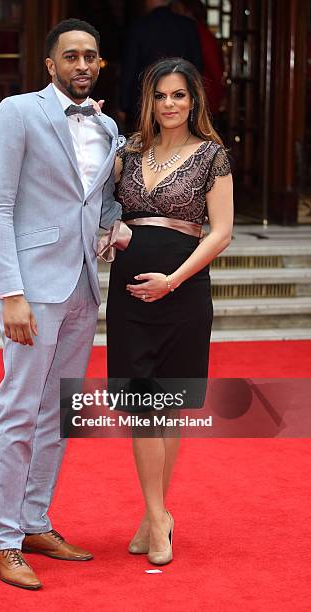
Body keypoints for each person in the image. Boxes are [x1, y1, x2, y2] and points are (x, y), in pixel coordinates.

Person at [0, 18, 121, 590]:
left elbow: (101, 203)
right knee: (19, 409)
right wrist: (10, 292)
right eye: (71, 57)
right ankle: (4, 539)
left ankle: (36, 520)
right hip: (33, 289)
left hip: (84, 288)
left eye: (91, 56)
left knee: (59, 415)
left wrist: (115, 231)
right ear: (51, 64)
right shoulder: (18, 112)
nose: (82, 65)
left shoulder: (109, 125)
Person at [106, 57, 233, 565]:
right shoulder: (129, 152)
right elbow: (101, 205)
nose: (170, 104)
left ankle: (154, 516)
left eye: (179, 95)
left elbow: (222, 231)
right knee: (141, 404)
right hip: (131, 295)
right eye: (161, 96)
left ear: (194, 100)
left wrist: (174, 280)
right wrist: (105, 233)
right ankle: (159, 517)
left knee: (169, 403)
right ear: (149, 102)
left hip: (183, 292)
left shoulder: (212, 155)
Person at [119, 0, 202, 131]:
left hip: (144, 103)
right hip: (180, 100)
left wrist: (124, 106)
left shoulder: (139, 27)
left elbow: (129, 70)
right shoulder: (188, 26)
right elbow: (197, 69)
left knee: (146, 144)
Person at [172, 0, 225, 117]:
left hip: (202, 96)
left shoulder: (199, 33)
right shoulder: (197, 32)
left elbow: (215, 70)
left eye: (177, 8)